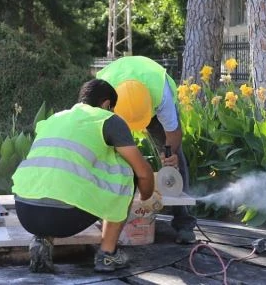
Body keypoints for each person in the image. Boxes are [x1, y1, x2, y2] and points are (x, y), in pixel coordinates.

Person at [11, 79, 158, 273]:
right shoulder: (108, 119)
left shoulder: (55, 118)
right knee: (126, 173)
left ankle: (42, 240)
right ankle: (107, 255)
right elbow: (142, 172)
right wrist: (147, 196)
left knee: (54, 175)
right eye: (111, 108)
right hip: (64, 217)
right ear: (107, 104)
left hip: (26, 212)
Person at [96, 55, 197, 244]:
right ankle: (102, 213)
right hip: (117, 108)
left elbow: (173, 132)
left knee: (175, 157)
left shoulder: (161, 94)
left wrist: (170, 154)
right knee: (104, 153)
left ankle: (184, 222)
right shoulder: (102, 93)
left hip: (151, 100)